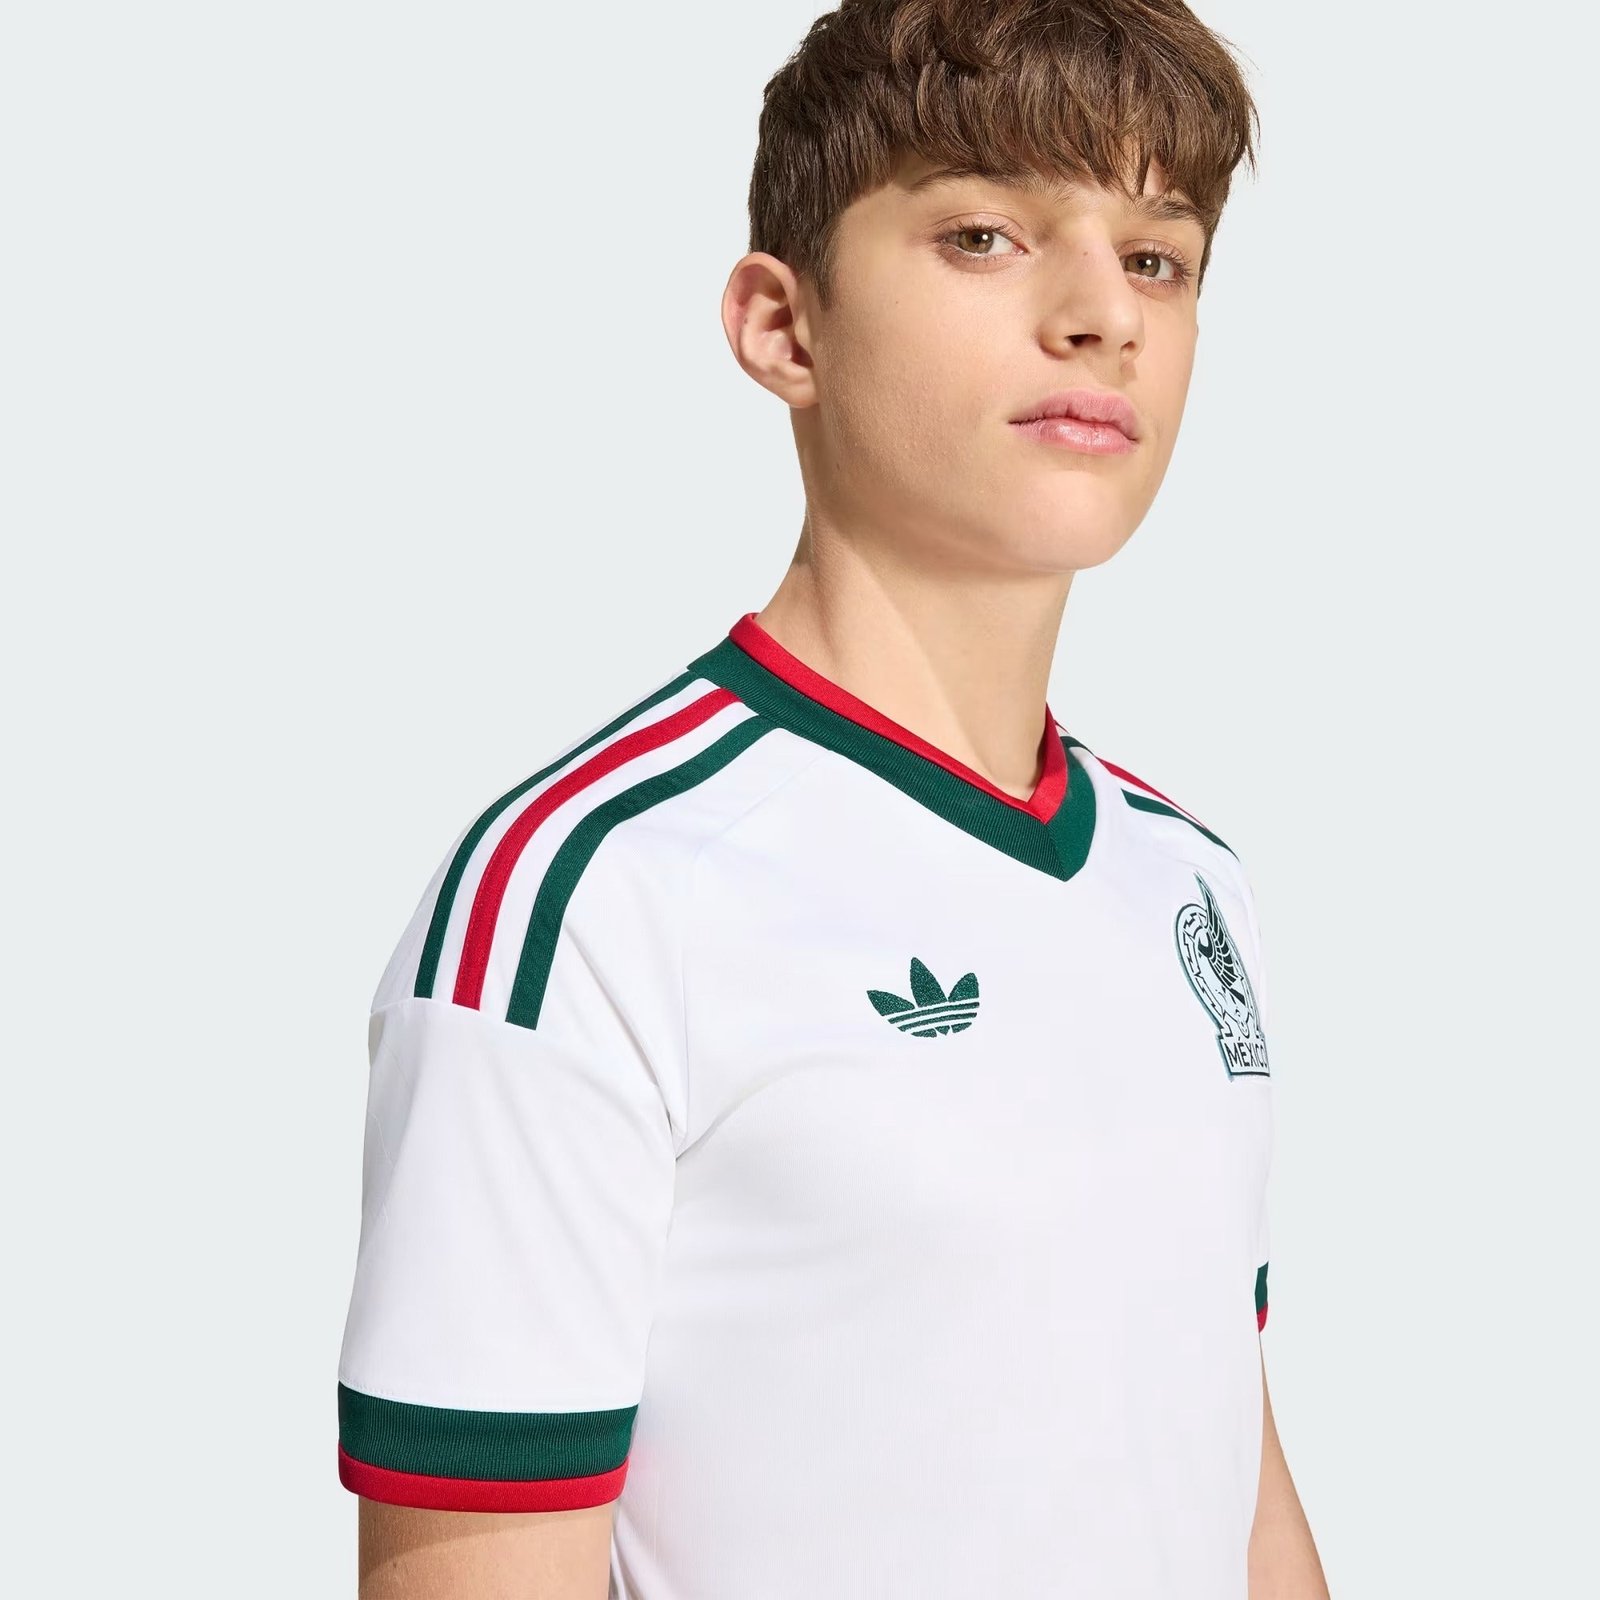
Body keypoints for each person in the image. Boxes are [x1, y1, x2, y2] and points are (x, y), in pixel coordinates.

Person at [335, 1, 1330, 1594]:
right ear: (782, 328)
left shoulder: (1190, 887)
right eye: (987, 235)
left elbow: (1225, 1465)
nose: (1103, 316)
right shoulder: (591, 895)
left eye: (1158, 257)